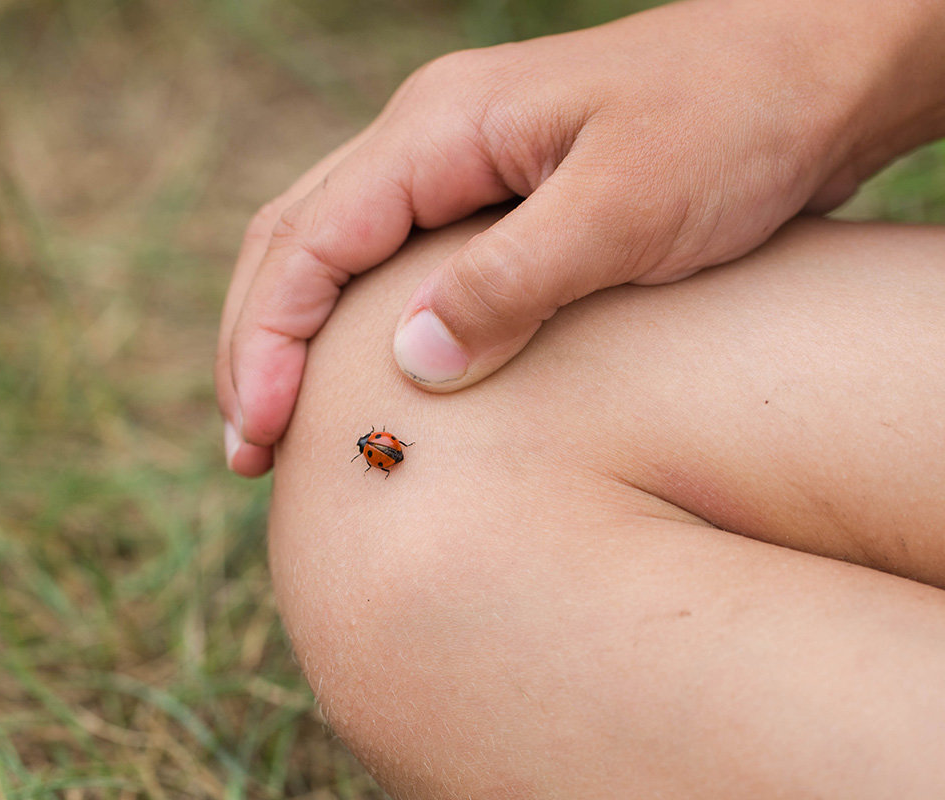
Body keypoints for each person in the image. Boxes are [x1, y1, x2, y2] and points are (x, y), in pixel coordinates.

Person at [217, 0, 945, 795]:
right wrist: (842, 48)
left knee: (436, 527)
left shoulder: (382, 452)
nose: (378, 450)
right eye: (378, 450)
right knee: (412, 481)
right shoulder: (382, 446)